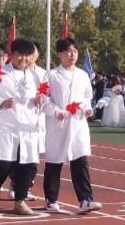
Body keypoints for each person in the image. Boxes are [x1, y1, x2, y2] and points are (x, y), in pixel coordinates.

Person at [42, 38, 101, 215]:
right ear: (60, 54)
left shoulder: (82, 75)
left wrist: (87, 109)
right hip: (58, 124)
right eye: (68, 51)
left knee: (80, 160)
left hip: (77, 124)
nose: (72, 54)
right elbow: (44, 100)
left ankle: (85, 199)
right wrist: (56, 112)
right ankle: (51, 199)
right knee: (54, 161)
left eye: (75, 51)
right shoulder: (50, 75)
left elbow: (86, 98)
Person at [0, 39, 45, 216]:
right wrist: (1, 103)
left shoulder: (37, 76)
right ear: (12, 55)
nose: (23, 59)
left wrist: (40, 100)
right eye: (20, 55)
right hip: (6, 126)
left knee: (29, 165)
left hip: (28, 127)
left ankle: (20, 201)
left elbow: (44, 96)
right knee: (4, 162)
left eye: (27, 56)